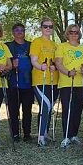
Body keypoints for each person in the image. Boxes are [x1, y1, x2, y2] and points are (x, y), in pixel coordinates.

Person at [55, 24, 83, 148]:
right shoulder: (62, 46)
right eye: (71, 32)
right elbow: (58, 63)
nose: (74, 34)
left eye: (76, 32)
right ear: (67, 34)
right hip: (66, 83)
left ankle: (74, 135)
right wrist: (68, 72)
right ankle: (66, 136)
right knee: (67, 110)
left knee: (77, 110)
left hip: (82, 83)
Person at [30, 17, 59, 146]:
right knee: (45, 106)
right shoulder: (37, 42)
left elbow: (58, 62)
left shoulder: (55, 45)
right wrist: (39, 66)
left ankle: (45, 132)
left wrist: (55, 67)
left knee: (48, 108)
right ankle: (40, 136)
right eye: (45, 26)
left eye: (50, 27)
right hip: (40, 80)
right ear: (41, 28)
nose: (48, 29)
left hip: (54, 81)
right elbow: (34, 60)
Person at [5, 23, 34, 142]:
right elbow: (5, 63)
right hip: (13, 82)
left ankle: (27, 134)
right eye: (17, 30)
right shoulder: (8, 46)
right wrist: (12, 66)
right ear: (13, 32)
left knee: (27, 110)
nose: (19, 32)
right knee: (13, 110)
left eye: (22, 30)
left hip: (28, 82)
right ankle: (15, 134)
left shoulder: (31, 45)